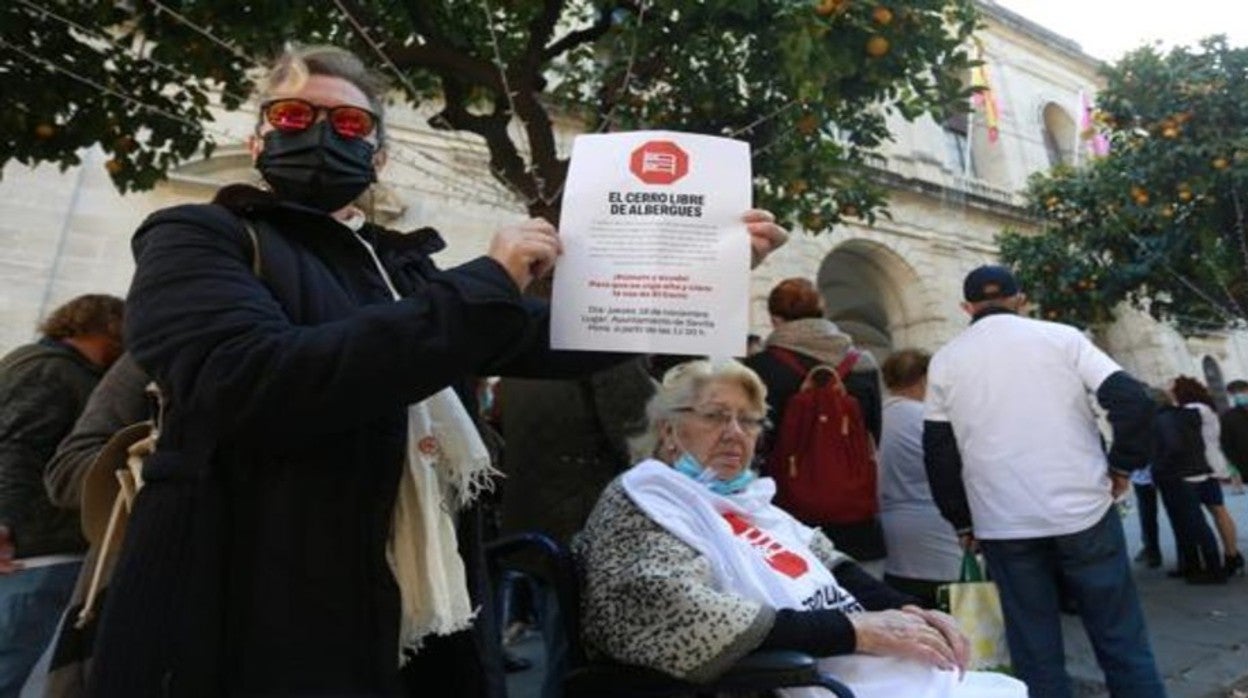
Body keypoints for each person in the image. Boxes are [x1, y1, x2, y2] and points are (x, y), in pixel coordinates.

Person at [85, 44, 789, 698]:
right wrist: (487, 280)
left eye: (351, 121)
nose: (323, 132)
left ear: (380, 154)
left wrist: (702, 275)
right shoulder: (197, 236)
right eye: (296, 115)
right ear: (258, 139)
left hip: (416, 605)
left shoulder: (400, 269)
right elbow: (244, 380)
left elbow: (569, 334)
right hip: (250, 602)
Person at [573, 358, 1026, 698]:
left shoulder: (748, 500)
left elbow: (828, 562)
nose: (736, 432)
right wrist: (856, 632)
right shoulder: (643, 499)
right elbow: (674, 612)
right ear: (669, 430)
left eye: (749, 420)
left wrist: (911, 612)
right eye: (715, 416)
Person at [923, 264, 1164, 698]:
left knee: (1035, 651)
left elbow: (938, 453)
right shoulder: (1063, 338)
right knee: (1122, 641)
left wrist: (961, 521)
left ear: (966, 307)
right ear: (1021, 299)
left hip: (1002, 523)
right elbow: (1133, 402)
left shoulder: (946, 360)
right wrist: (1121, 467)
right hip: (1084, 511)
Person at [0, 294, 125, 697]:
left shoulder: (38, 364)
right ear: (108, 326)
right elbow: (16, 449)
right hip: (31, 552)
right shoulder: (53, 371)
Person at [744, 277, 884, 560]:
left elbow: (755, 442)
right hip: (854, 513)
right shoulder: (863, 364)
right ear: (823, 312)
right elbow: (874, 433)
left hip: (785, 514)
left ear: (775, 319)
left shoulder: (759, 368)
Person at [877, 349, 959, 608]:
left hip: (890, 534)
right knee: (951, 618)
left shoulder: (875, 418)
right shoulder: (928, 420)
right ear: (925, 379)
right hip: (939, 532)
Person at [1151, 384, 1225, 584]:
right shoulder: (1185, 415)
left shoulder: (1163, 420)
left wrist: (1158, 467)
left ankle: (1213, 568)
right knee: (1188, 523)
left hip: (1177, 475)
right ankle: (1192, 566)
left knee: (1194, 524)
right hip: (1193, 470)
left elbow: (1172, 446)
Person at [1171, 376, 1242, 577]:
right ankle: (1232, 554)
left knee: (1212, 513)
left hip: (1200, 469)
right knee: (1218, 511)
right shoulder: (1206, 408)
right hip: (1209, 465)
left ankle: (1227, 556)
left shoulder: (1194, 410)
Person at [1219, 379, 1248, 496]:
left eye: (1242, 391)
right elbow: (1227, 444)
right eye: (1235, 393)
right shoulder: (1228, 417)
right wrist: (1239, 466)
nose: (1239, 395)